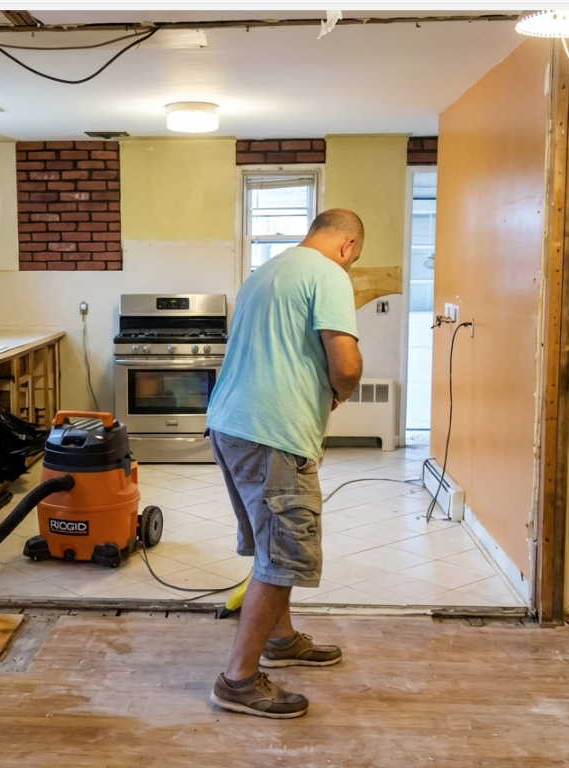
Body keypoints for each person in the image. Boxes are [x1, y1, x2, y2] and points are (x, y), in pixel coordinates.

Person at [206, 208, 364, 719]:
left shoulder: (265, 272)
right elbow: (345, 365)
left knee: (274, 544)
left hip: (232, 423)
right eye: (354, 257)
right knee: (285, 554)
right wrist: (339, 392)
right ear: (346, 245)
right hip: (272, 431)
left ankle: (283, 639)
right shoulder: (329, 274)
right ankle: (239, 680)